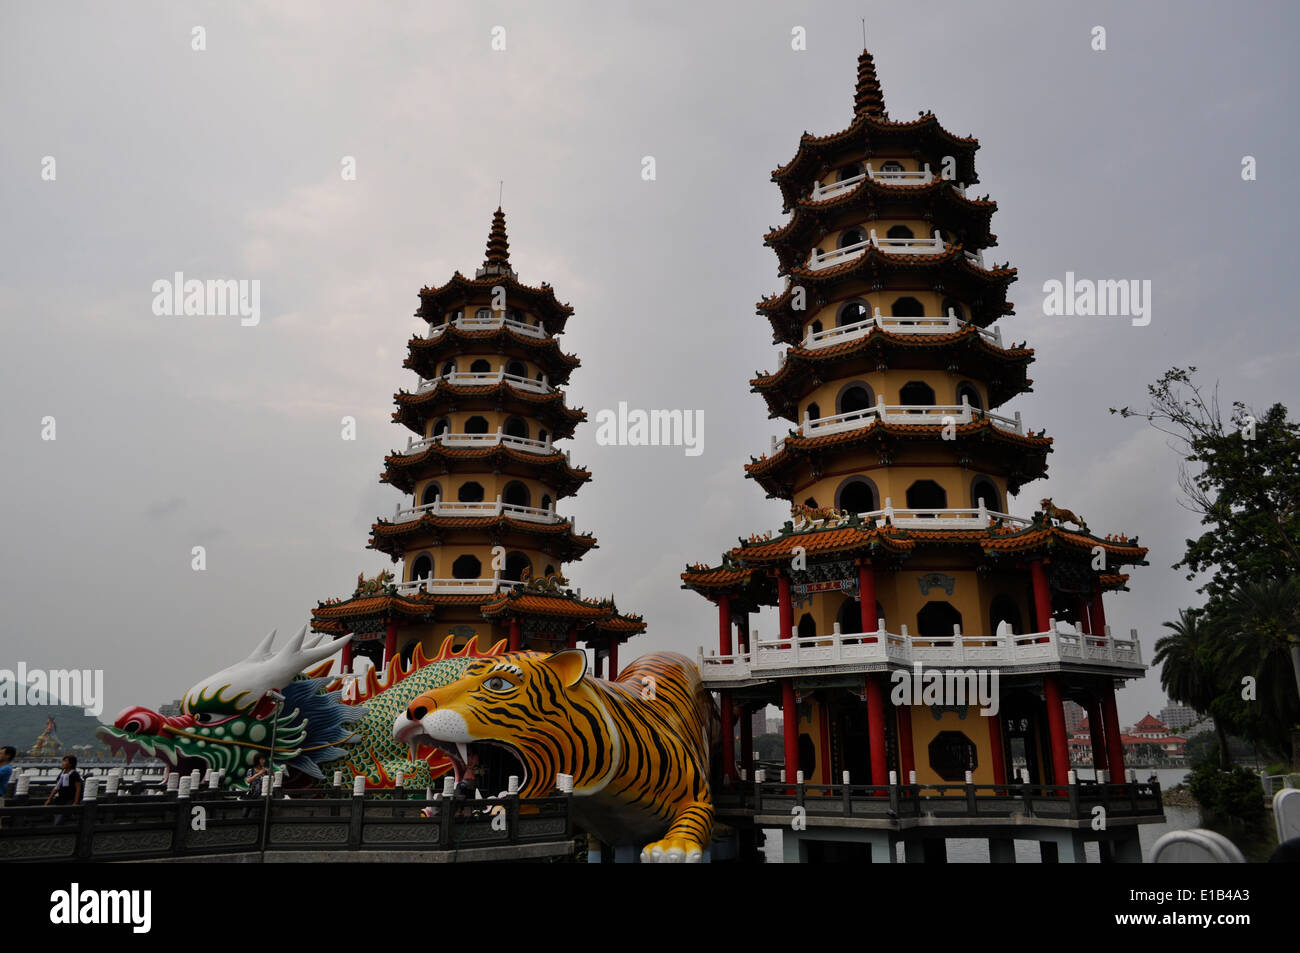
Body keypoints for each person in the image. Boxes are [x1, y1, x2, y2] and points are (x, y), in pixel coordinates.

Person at [44, 755, 82, 823]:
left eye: (65, 761)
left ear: (70, 764)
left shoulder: (74, 774)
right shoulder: (62, 773)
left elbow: (78, 789)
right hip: (61, 798)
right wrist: (49, 799)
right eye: (63, 761)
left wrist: (75, 802)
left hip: (70, 799)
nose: (63, 763)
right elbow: (57, 787)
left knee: (61, 818)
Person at [241, 754, 271, 818]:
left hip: (262, 795)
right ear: (257, 760)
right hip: (251, 794)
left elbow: (271, 781)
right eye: (262, 759)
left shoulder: (265, 770)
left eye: (264, 759)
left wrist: (271, 774)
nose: (264, 761)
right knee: (244, 814)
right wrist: (259, 773)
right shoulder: (251, 770)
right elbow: (248, 780)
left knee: (260, 813)